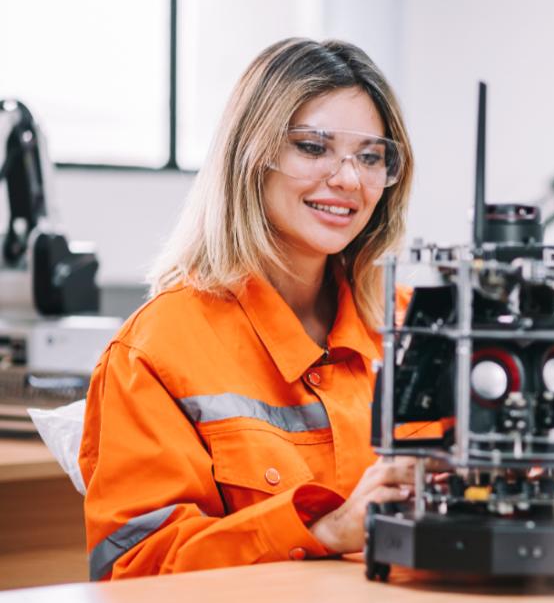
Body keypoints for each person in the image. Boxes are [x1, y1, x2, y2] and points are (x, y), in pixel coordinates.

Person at [78, 38, 421, 580]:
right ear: (251, 155)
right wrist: (324, 530)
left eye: (370, 156)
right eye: (313, 147)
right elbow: (134, 571)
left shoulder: (414, 330)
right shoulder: (158, 348)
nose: (348, 179)